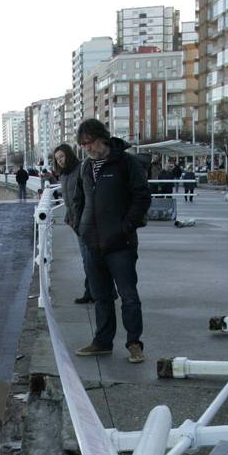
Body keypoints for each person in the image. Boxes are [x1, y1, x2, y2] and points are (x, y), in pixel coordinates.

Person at [69, 118, 151, 364]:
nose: (87, 148)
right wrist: (79, 226)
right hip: (91, 242)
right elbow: (79, 200)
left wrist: (126, 226)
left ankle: (134, 343)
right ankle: (102, 342)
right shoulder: (85, 167)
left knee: (128, 295)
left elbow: (142, 196)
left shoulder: (126, 163)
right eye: (83, 145)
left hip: (120, 243)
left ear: (102, 137)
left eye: (90, 142)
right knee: (101, 296)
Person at [51, 143, 94, 306]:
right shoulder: (63, 174)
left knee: (89, 259)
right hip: (75, 221)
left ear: (69, 154)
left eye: (61, 156)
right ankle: (101, 291)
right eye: (57, 159)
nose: (60, 160)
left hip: (85, 220)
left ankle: (91, 292)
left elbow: (88, 195)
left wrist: (85, 219)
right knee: (89, 259)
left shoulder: (81, 169)